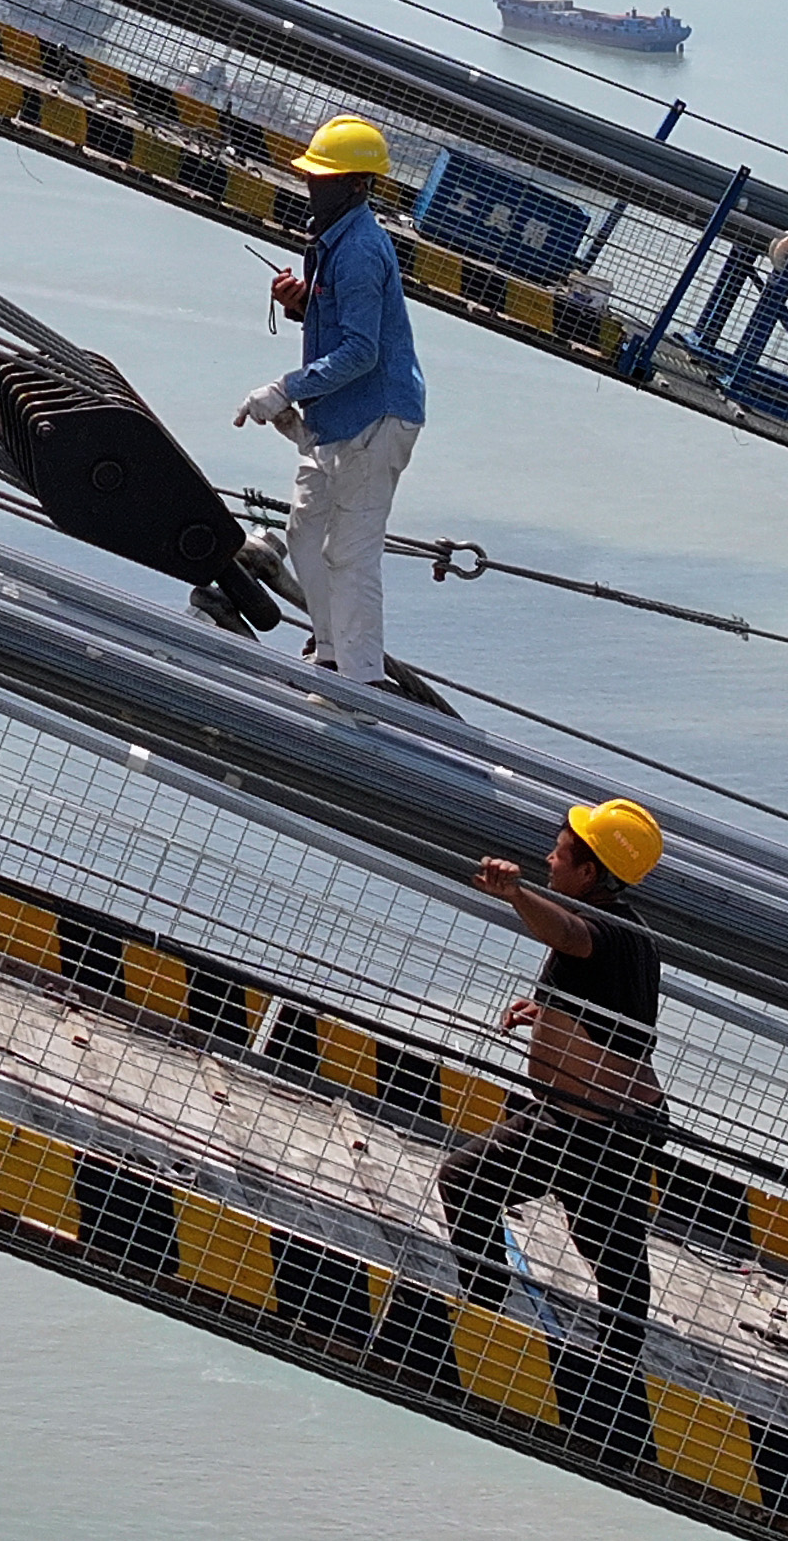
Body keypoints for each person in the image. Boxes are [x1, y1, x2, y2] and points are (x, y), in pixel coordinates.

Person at [440, 799, 671, 1353]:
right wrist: (546, 1013)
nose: (549, 858)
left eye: (561, 854)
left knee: (468, 1182)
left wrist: (516, 894)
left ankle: (492, 1314)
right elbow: (614, 1016)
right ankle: (503, 1313)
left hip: (600, 1129)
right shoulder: (626, 933)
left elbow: (568, 934)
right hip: (584, 1118)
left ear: (590, 873)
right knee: (610, 1251)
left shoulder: (605, 931)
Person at [235, 112, 427, 685]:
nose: (311, 184)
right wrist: (301, 305)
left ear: (356, 185)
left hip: (376, 420)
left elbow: (362, 352)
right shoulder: (331, 242)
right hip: (339, 422)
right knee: (304, 534)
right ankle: (330, 650)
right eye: (312, 175)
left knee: (352, 550)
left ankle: (362, 677)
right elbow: (340, 327)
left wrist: (285, 388)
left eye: (323, 177)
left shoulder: (362, 250)